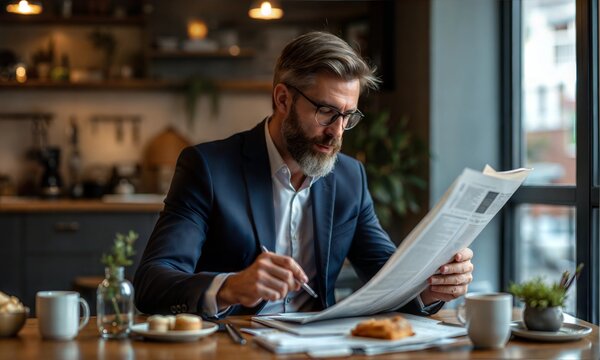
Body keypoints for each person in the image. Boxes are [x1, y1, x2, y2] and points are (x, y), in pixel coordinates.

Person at [134, 31, 474, 318]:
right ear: (283, 99)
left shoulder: (349, 178)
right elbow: (152, 283)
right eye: (326, 112)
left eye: (348, 117)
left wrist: (432, 287)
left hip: (322, 347)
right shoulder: (208, 168)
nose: (337, 132)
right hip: (236, 347)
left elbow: (390, 278)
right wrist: (229, 287)